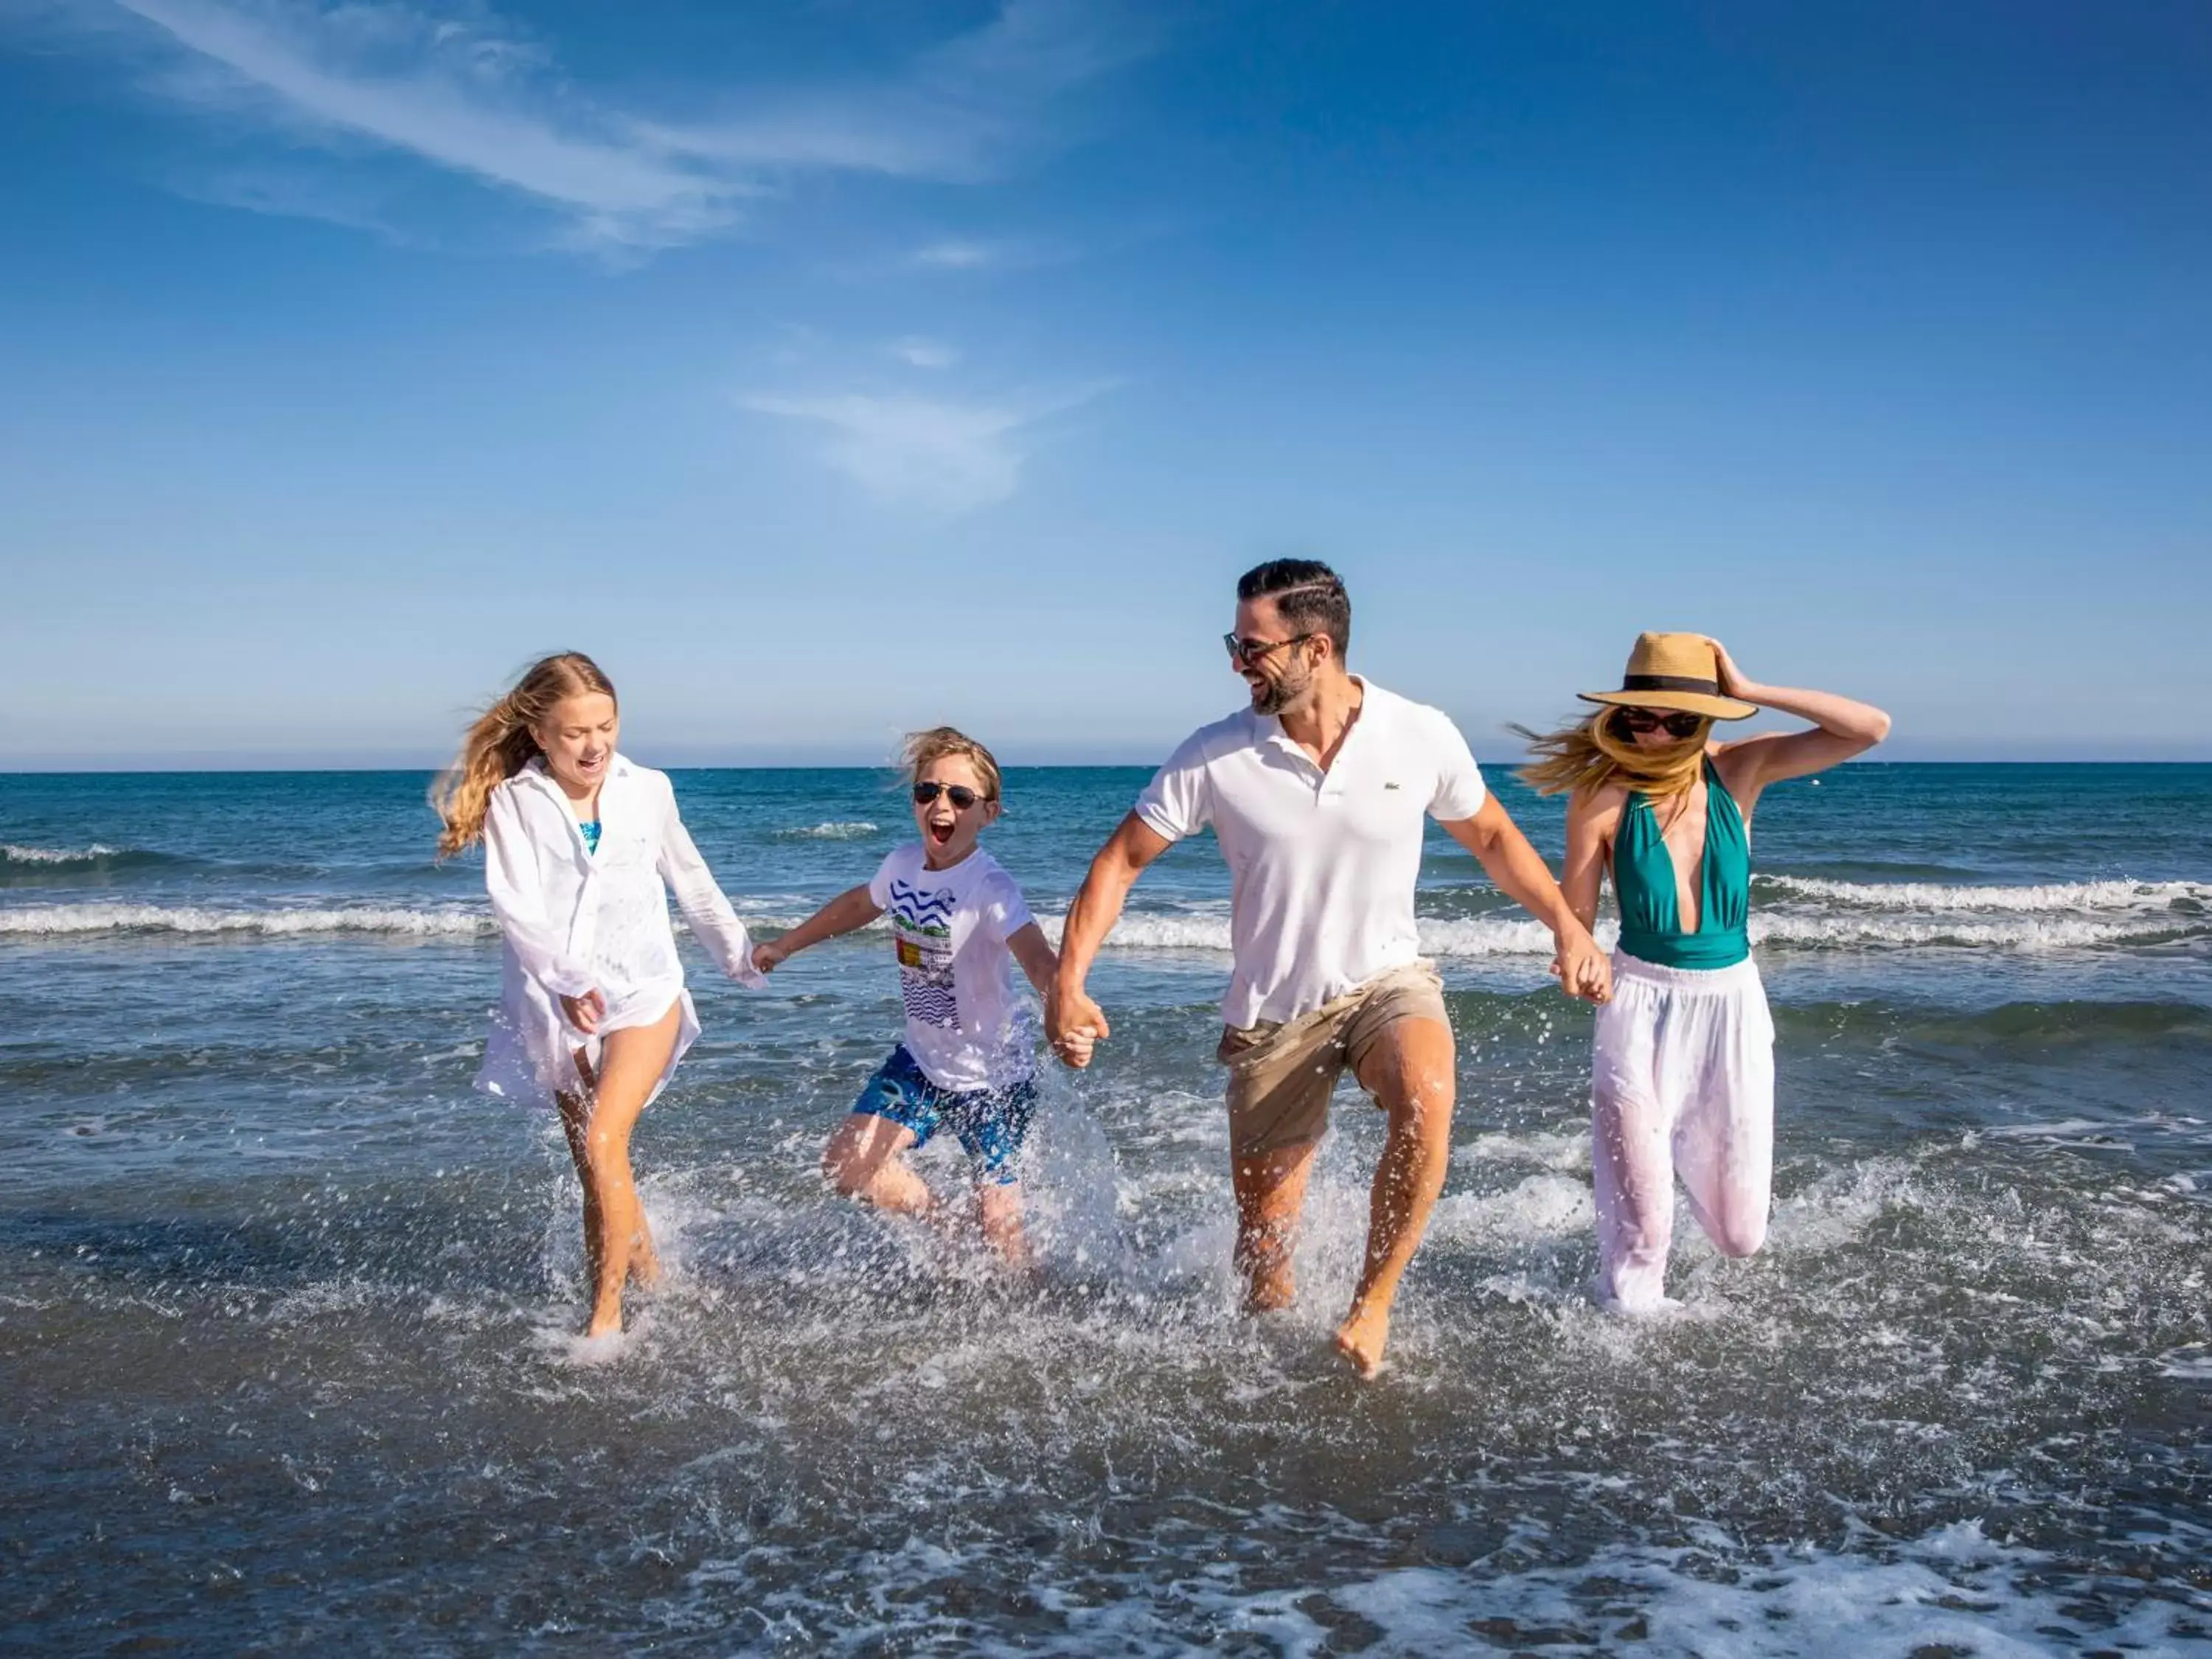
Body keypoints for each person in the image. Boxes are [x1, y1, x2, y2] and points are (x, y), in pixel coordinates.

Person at [1046, 560, 1610, 1377]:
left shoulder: (1418, 733)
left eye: (1252, 648)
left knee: (1428, 1095)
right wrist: (1069, 983)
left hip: (1387, 984)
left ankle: (1371, 1306)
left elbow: (1490, 835)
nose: (1238, 663)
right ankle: (1268, 1402)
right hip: (1274, 1013)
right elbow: (1119, 864)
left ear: (1316, 647)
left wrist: (1567, 925)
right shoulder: (1215, 754)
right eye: (1235, 646)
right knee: (1266, 1260)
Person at [1522, 632, 1891, 1312]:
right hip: (1638, 1006)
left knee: (1742, 1236)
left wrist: (1749, 691)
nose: (1656, 734)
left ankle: (1658, 1181)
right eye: (1641, 716)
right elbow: (1573, 920)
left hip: (1731, 1007)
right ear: (1621, 712)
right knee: (1642, 1248)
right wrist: (1577, 954)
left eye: (1678, 720)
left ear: (1709, 718)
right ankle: (1630, 1351)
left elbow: (1870, 727)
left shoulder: (1741, 771)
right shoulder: (1601, 798)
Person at [433, 652, 762, 1339]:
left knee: (605, 1136)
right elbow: (515, 908)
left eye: (606, 726)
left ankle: (604, 1323)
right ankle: (654, 1281)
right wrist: (566, 981)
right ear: (542, 734)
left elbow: (691, 878)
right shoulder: (515, 802)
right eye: (576, 732)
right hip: (559, 1006)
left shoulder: (649, 789)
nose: (595, 745)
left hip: (645, 990)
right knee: (597, 1169)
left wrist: (738, 954)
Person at [752, 728, 1085, 1266]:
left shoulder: (991, 888)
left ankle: (1036, 1317)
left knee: (1001, 1228)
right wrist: (786, 945)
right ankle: (945, 1223)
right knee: (847, 1165)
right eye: (928, 792)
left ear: (989, 813)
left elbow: (1037, 960)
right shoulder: (902, 865)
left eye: (960, 797)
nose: (941, 805)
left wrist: (1066, 1007)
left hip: (992, 1080)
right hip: (922, 1065)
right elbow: (859, 905)